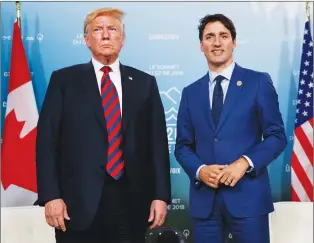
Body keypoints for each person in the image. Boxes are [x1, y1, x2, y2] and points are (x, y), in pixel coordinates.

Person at [36, 7, 171, 243]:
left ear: (123, 39)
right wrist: (51, 196)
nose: (106, 35)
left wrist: (160, 196)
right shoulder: (64, 81)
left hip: (131, 202)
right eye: (98, 30)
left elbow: (157, 145)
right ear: (87, 39)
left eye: (113, 29)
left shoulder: (144, 83)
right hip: (75, 204)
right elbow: (47, 143)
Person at [174, 13, 287, 243]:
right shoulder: (190, 92)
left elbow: (276, 136)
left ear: (234, 42)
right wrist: (200, 170)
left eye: (223, 36)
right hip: (205, 202)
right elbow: (183, 146)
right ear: (201, 45)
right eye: (210, 37)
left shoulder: (257, 82)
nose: (217, 42)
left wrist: (244, 163)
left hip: (249, 199)